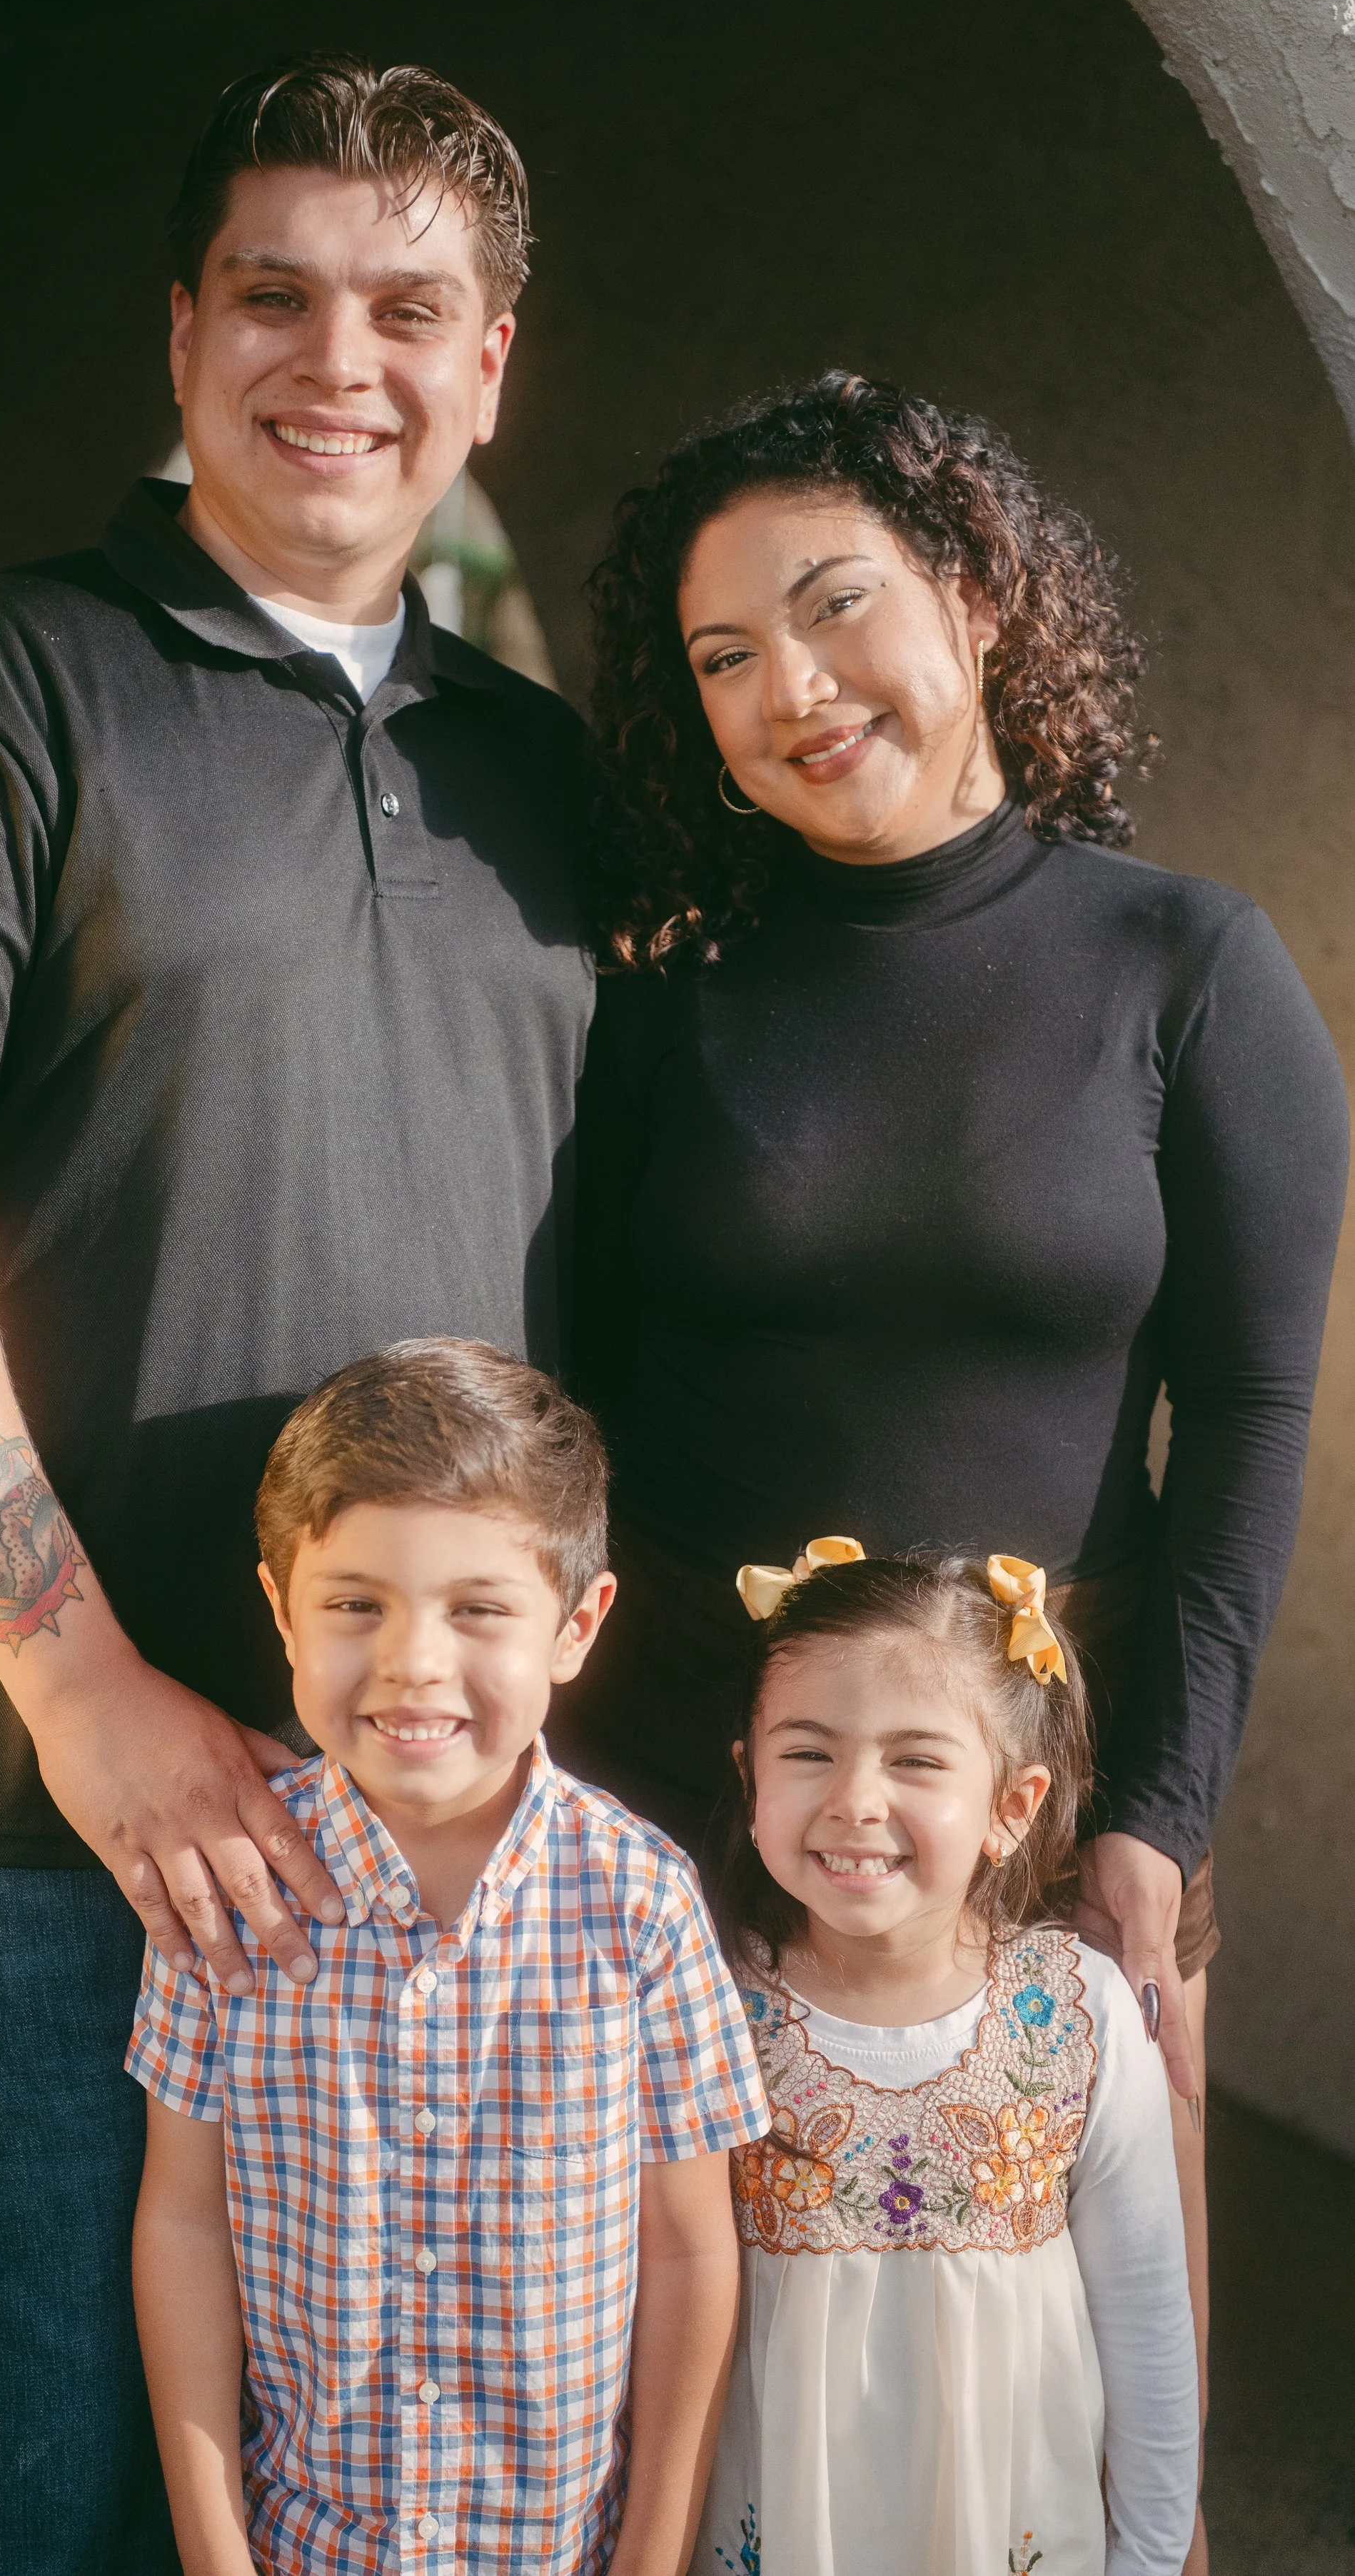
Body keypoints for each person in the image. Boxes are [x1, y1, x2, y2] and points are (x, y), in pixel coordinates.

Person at [0, 58, 596, 2572]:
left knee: (385, 2488)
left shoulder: (545, 772)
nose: (344, 361)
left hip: (427, 1830)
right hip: (36, 1820)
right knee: (35, 2486)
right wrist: (88, 1694)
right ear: (179, 331)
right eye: (277, 295)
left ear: (491, 361)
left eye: (412, 309)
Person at [565, 372, 1349, 2568]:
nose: (789, 690)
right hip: (696, 1816)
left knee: (1084, 2437)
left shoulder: (1185, 967)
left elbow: (1249, 1422)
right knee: (710, 2433)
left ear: (981, 593)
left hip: (1034, 1813)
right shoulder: (671, 989)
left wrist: (1154, 1825)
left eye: (833, 608)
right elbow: (589, 1388)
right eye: (721, 656)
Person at [129, 1337, 771, 2576]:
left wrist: (651, 2560)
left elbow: (690, 2250)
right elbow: (183, 2221)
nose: (415, 1659)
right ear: (282, 1609)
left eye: (479, 1608)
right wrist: (214, 2554)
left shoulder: (641, 1906)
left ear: (576, 1624)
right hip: (307, 2546)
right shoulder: (230, 1894)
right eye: (355, 1603)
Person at [694, 1539, 1197, 2576]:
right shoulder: (705, 2005)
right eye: (807, 1752)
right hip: (780, 2526)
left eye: (916, 1759)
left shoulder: (1079, 2014)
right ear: (750, 1774)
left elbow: (1147, 2319)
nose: (855, 1799)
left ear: (1012, 1807)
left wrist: (1149, 2554)